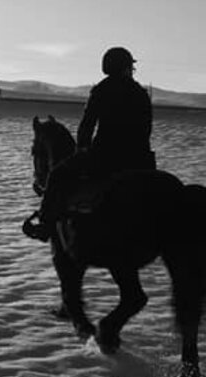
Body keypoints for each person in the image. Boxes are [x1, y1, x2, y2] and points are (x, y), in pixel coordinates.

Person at [23, 46, 154, 242]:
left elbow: (86, 127)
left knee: (58, 175)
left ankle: (46, 225)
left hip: (105, 157)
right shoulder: (140, 93)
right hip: (141, 160)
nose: (131, 71)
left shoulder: (102, 90)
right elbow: (146, 129)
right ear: (125, 68)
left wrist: (81, 150)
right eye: (130, 67)